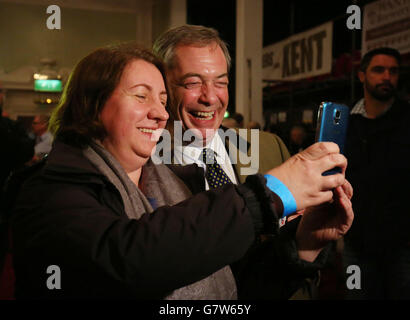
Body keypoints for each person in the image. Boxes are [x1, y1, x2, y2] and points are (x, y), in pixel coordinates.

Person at [10, 43, 352, 300]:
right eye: (141, 96)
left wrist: (306, 242)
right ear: (92, 104)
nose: (160, 114)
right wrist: (272, 192)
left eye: (161, 100)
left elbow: (233, 286)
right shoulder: (48, 191)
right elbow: (133, 259)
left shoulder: (178, 181)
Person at [152, 24, 352, 299]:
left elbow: (295, 266)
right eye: (192, 83)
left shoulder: (269, 148)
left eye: (220, 82)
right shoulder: (144, 165)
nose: (210, 97)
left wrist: (308, 239)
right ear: (162, 87)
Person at [343, 47, 410, 299]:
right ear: (362, 76)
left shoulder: (406, 118)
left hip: (402, 245)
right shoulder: (345, 120)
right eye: (378, 70)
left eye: (393, 71)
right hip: (355, 241)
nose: (386, 77)